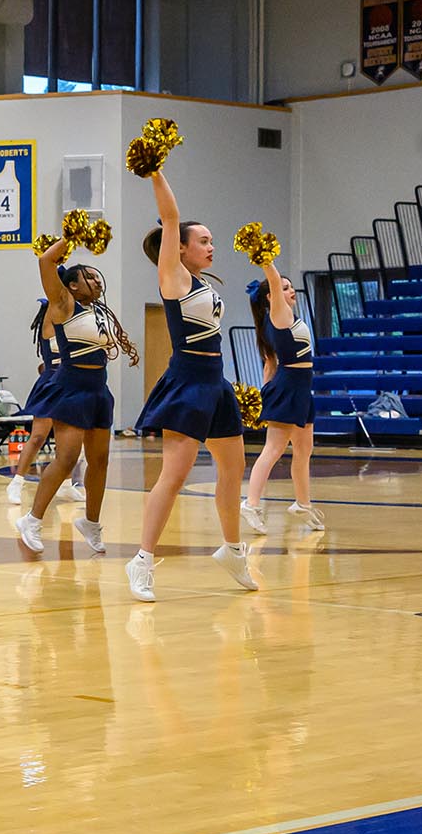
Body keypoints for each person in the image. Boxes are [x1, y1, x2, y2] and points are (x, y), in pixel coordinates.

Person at [126, 169, 258, 602]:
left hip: (215, 382)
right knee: (174, 476)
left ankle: (232, 549)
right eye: (203, 240)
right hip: (186, 381)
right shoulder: (175, 278)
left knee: (234, 470)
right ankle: (142, 560)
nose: (211, 246)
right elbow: (170, 215)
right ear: (179, 248)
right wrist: (155, 169)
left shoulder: (201, 284)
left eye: (210, 240)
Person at [15, 238, 137, 558]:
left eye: (98, 277)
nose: (97, 280)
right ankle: (32, 519)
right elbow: (45, 262)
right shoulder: (63, 305)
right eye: (89, 277)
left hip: (99, 389)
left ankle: (92, 523)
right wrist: (72, 236)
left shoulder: (99, 311)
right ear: (71, 285)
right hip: (71, 387)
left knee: (99, 461)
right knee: (67, 458)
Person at [242, 258, 323, 533]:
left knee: (304, 450)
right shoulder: (279, 314)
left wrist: (264, 393)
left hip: (300, 387)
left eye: (291, 288)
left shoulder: (275, 320)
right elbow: (274, 282)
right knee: (273, 449)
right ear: (271, 297)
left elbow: (270, 363)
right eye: (285, 288)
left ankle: (302, 503)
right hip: (290, 387)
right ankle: (250, 504)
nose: (291, 291)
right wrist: (267, 260)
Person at [6, 299, 82, 505]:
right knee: (38, 436)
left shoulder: (74, 322)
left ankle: (66, 486)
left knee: (65, 440)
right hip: (52, 382)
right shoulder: (51, 319)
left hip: (71, 382)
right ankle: (16, 483)